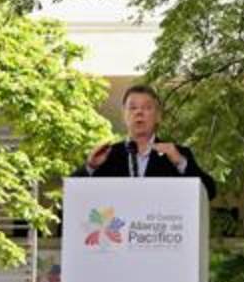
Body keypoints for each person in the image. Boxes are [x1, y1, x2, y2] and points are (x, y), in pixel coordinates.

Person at [75, 85, 217, 200]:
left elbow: (209, 192)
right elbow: (71, 194)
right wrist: (90, 167)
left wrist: (180, 162)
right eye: (133, 107)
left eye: (147, 108)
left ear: (158, 116)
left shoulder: (176, 154)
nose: (139, 112)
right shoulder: (106, 155)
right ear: (124, 115)